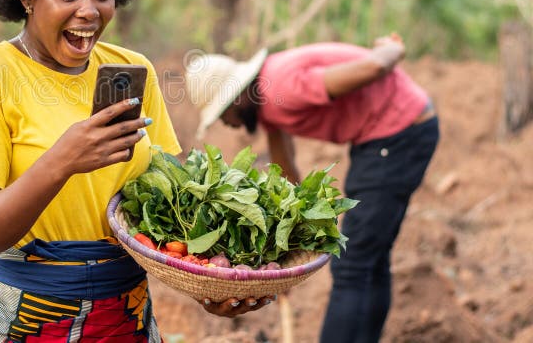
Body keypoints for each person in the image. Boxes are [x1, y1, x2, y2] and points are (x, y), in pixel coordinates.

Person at [0, 0, 268, 343]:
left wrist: (208, 281)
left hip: (125, 321)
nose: (89, 10)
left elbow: (170, 206)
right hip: (24, 324)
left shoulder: (133, 73)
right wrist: (64, 159)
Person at [185, 34, 439, 343]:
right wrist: (285, 250)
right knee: (370, 259)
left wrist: (393, 50)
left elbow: (373, 67)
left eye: (223, 114)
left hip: (398, 133)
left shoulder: (283, 88)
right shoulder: (268, 101)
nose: (228, 125)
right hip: (388, 135)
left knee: (353, 265)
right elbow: (287, 173)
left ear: (237, 97)